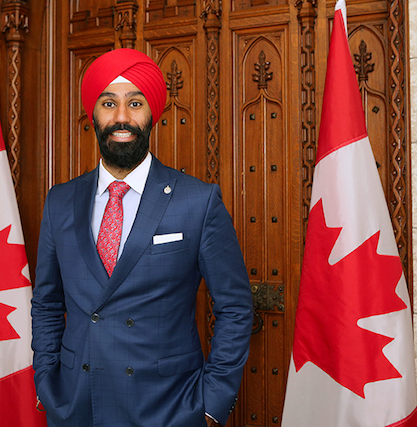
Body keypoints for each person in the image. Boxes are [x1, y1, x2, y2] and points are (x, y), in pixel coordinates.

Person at [31, 48, 253, 427]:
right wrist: (46, 382)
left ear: (152, 114)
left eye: (134, 103)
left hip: (167, 407)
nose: (121, 117)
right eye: (108, 104)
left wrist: (211, 404)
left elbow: (234, 307)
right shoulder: (60, 201)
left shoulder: (198, 201)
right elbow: (47, 304)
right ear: (92, 114)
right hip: (76, 406)